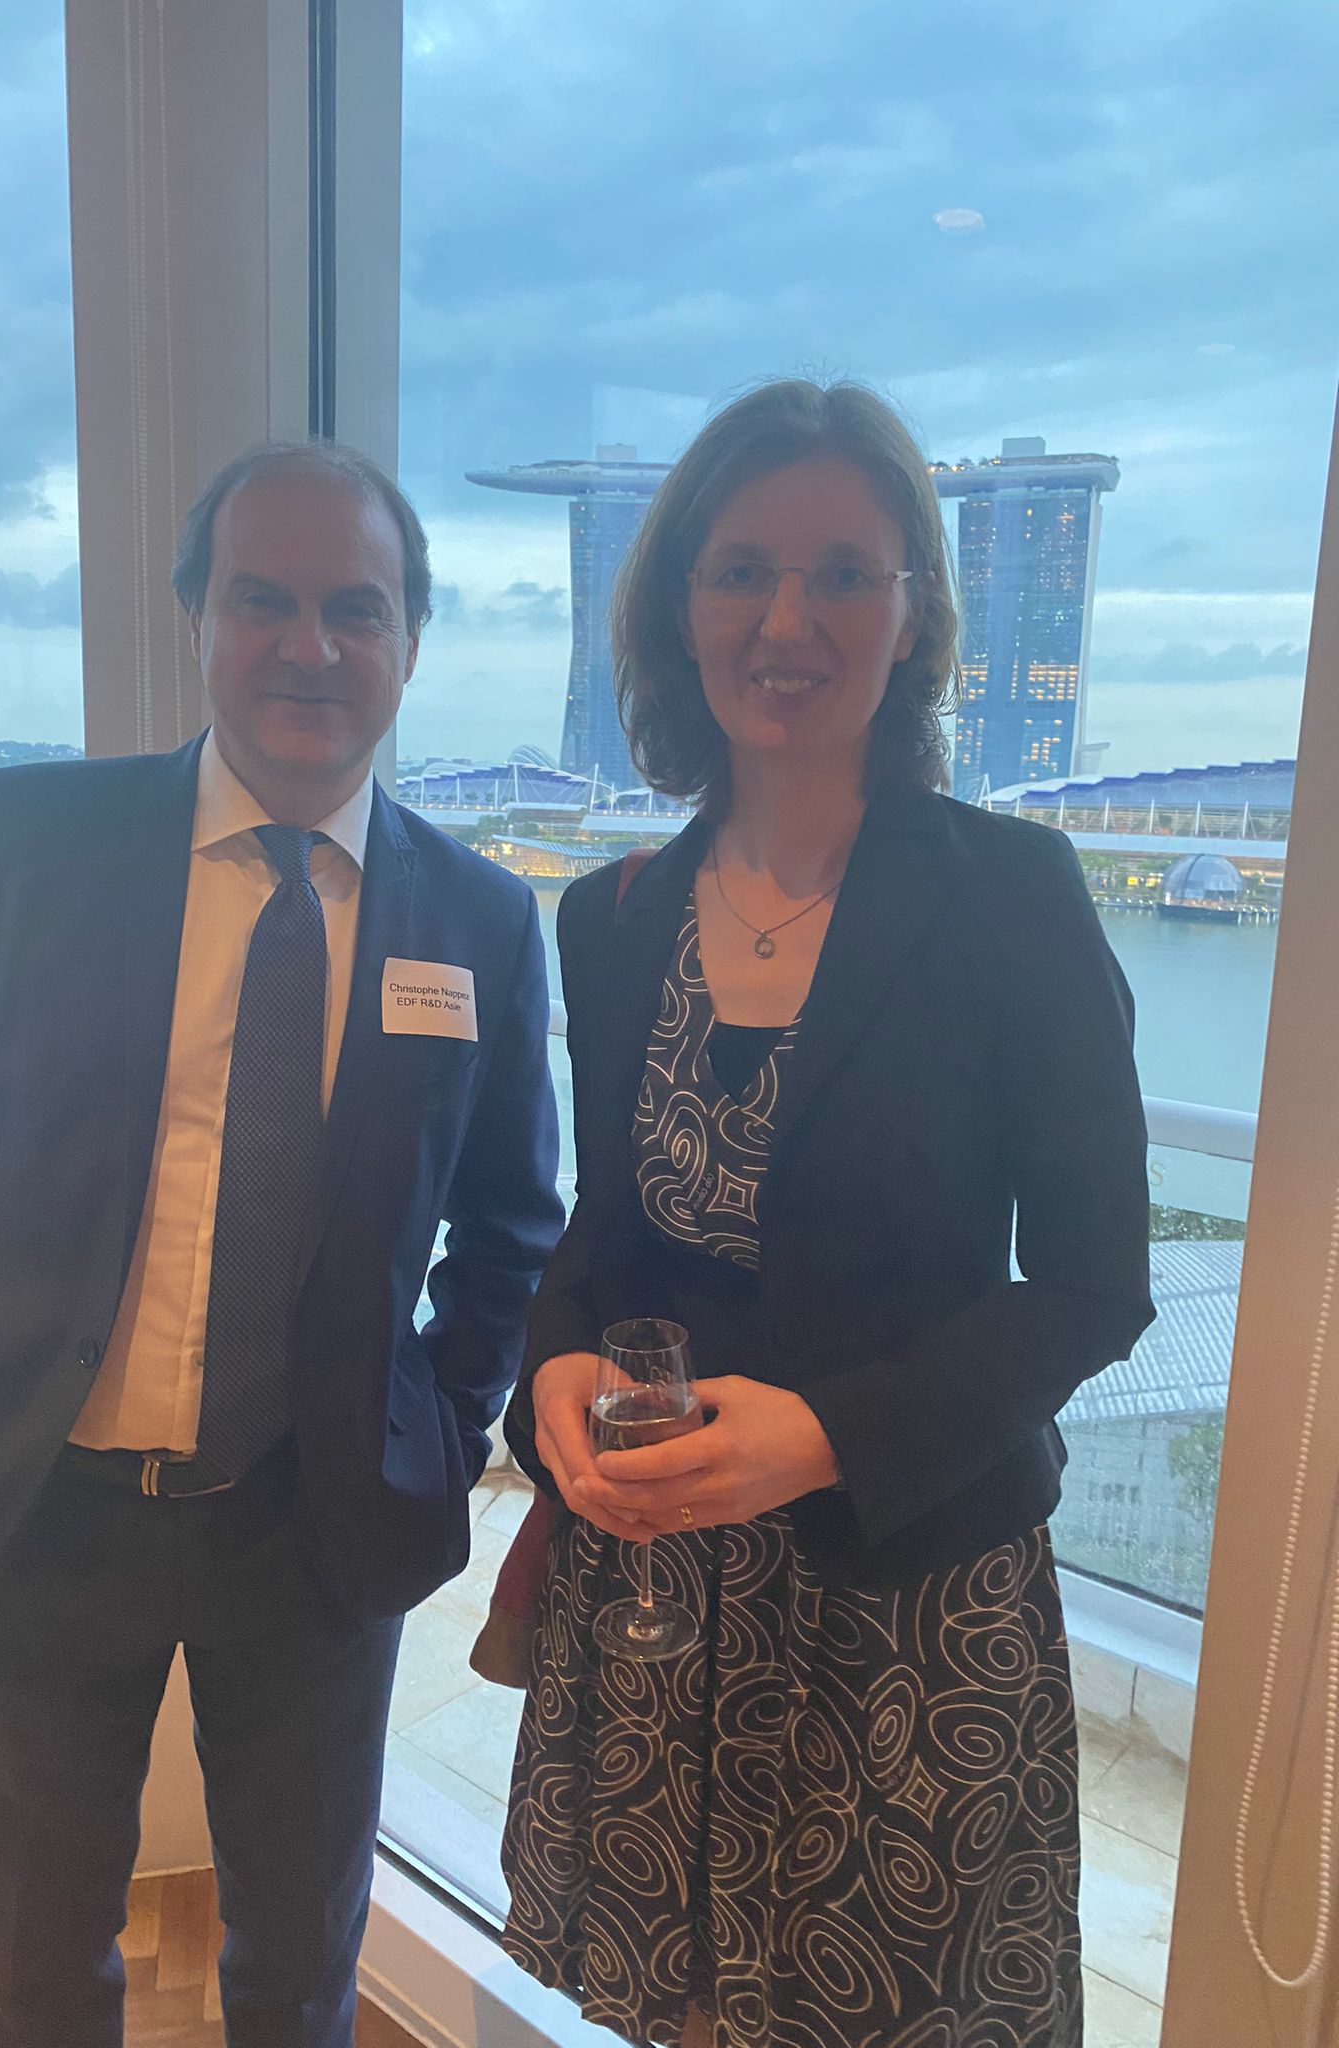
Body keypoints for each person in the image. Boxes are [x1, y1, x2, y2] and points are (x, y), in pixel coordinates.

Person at [0, 440, 562, 2048]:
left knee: (298, 1971)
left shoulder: (482, 922)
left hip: (313, 1532)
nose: (312, 646)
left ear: (412, 639)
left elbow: (512, 1227)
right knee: (39, 1970)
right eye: (264, 600)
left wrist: (431, 1432)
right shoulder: (19, 845)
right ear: (198, 619)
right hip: (30, 1512)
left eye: (357, 608)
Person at [499, 379, 1154, 2048]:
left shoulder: (1011, 899)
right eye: (742, 571)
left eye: (844, 574)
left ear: (913, 616)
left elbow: (1095, 1284)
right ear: (679, 609)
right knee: (680, 2015)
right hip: (661, 1603)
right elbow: (608, 1240)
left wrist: (830, 1438)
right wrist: (551, 1371)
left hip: (909, 1609)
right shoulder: (612, 917)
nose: (787, 621)